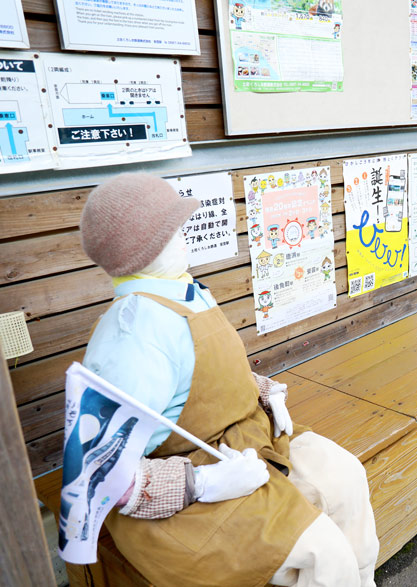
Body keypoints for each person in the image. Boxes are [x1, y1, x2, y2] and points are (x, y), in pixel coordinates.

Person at [79, 174, 379, 587]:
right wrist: (203, 483)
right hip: (186, 485)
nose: (184, 236)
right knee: (323, 552)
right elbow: (103, 469)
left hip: (249, 439)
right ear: (143, 248)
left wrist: (266, 393)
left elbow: (206, 373)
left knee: (345, 476)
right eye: (173, 230)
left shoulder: (181, 290)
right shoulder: (132, 335)